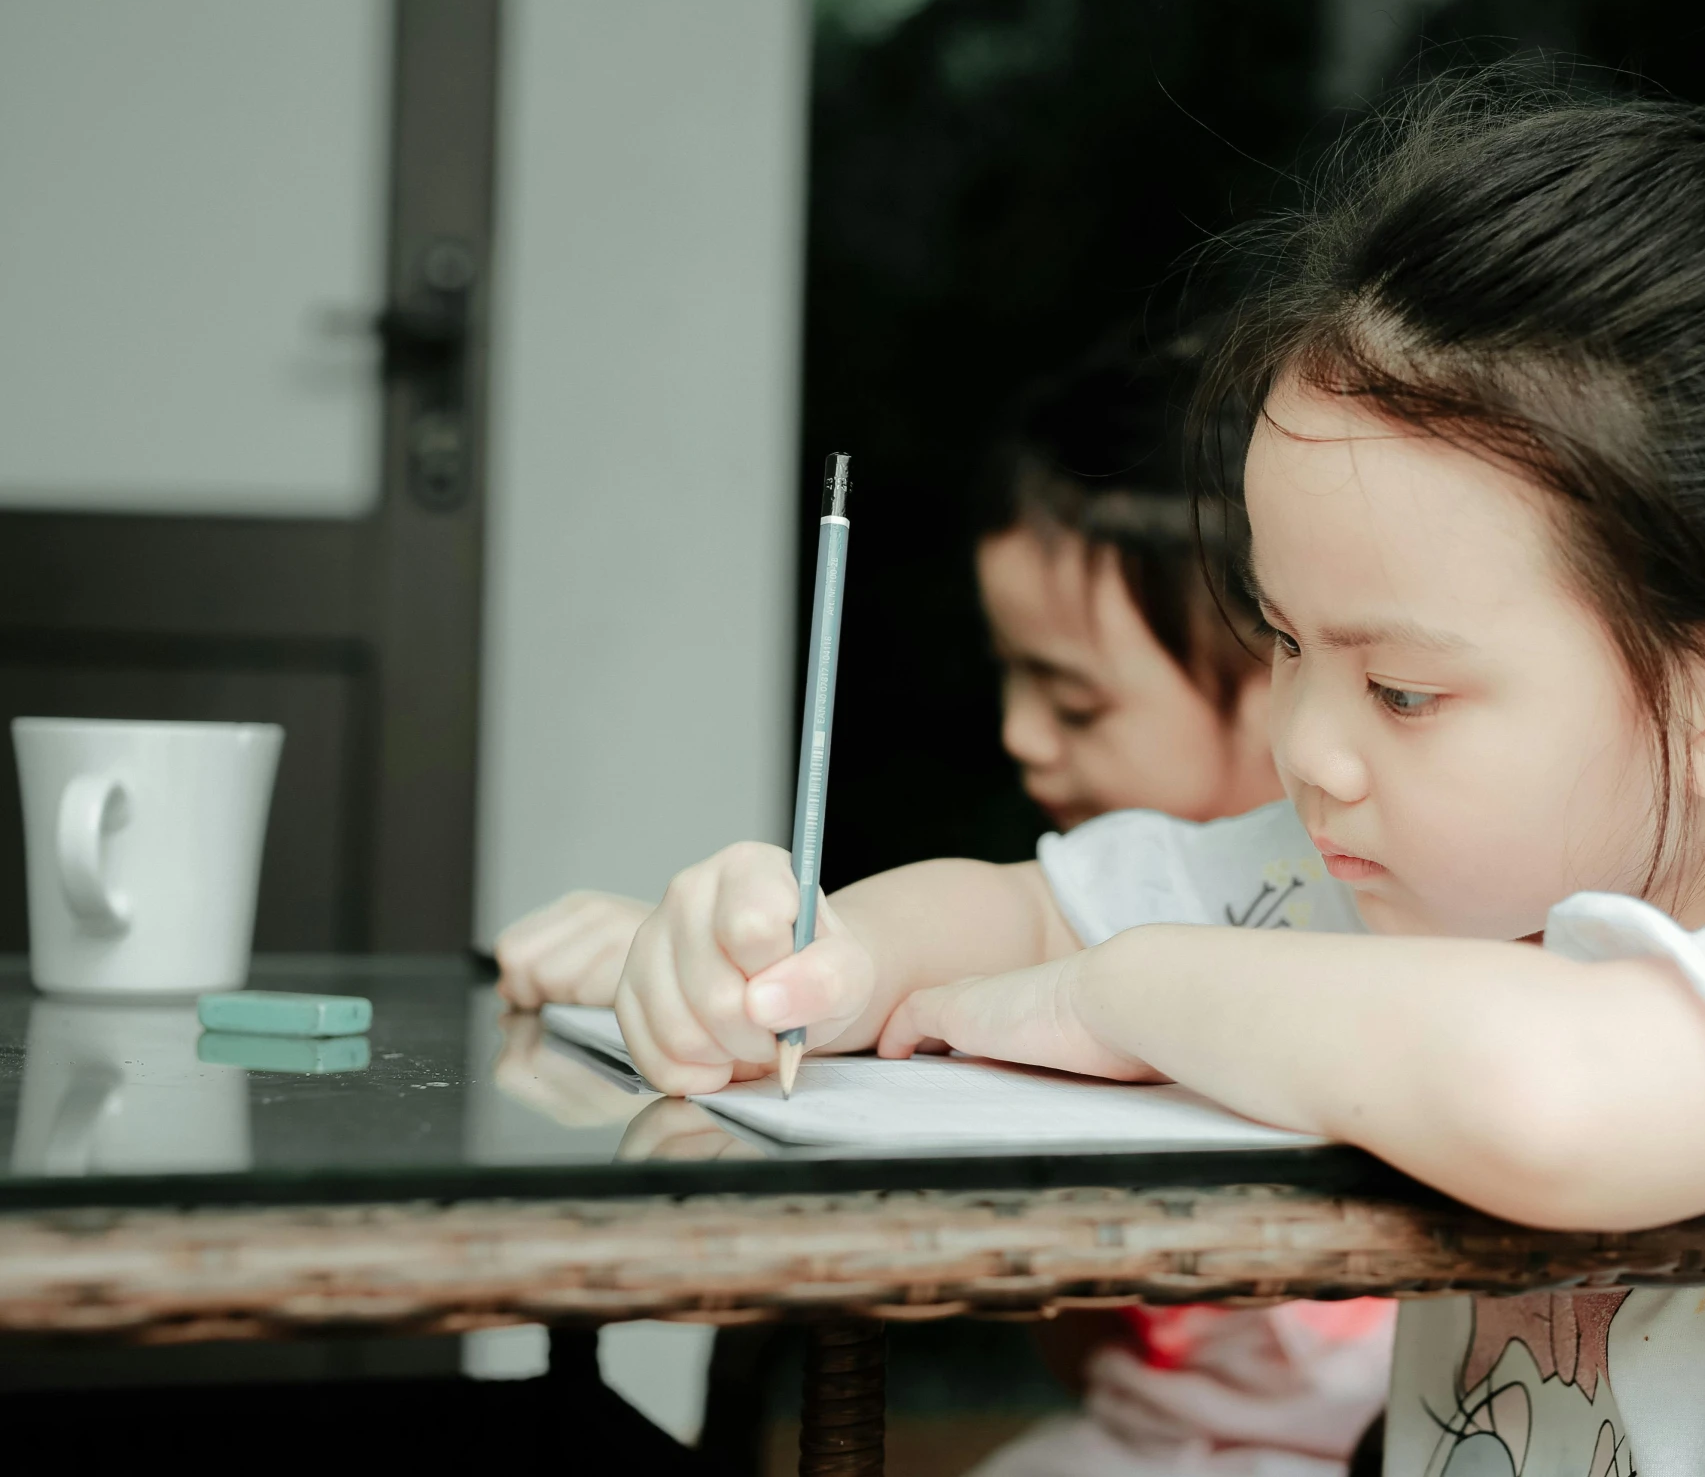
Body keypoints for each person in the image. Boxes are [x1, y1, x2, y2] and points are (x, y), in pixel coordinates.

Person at [606, 81, 1705, 1477]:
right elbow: (1016, 914)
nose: (1306, 747)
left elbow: (1543, 1096)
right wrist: (816, 950)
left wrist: (1123, 989)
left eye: (1401, 687)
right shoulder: (1410, 869)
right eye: (1283, 641)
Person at [494, 332, 1396, 1475]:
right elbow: (987, 924)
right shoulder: (1184, 887)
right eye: (1011, 679)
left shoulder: (1407, 905)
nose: (1019, 736)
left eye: (1074, 702)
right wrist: (797, 959)